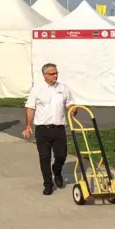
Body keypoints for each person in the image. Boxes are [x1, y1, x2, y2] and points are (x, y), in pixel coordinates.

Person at [22, 63, 75, 196]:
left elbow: (70, 103)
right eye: (52, 73)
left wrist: (73, 109)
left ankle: (56, 171)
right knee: (44, 157)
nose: (55, 75)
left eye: (56, 73)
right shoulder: (37, 89)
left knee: (61, 155)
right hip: (42, 129)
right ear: (45, 75)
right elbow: (30, 107)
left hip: (59, 129)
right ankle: (48, 184)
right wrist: (28, 125)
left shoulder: (63, 88)